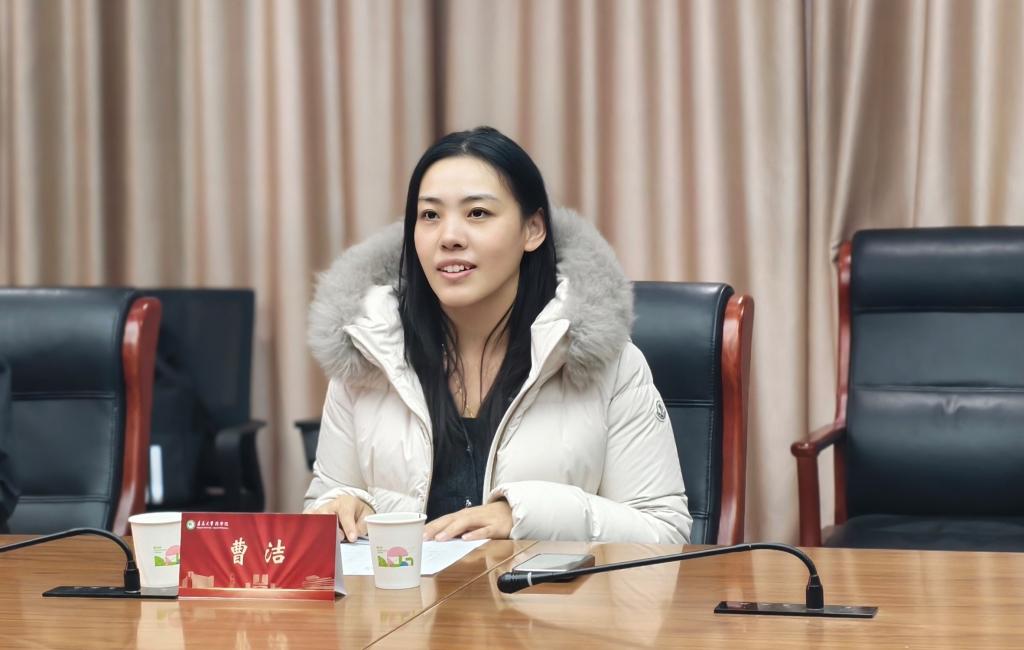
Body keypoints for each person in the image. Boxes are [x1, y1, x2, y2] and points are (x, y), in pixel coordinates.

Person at [304, 126, 691, 544]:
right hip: (403, 590)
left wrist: (525, 515)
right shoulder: (368, 354)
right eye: (430, 215)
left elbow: (665, 533)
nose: (449, 237)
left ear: (533, 229)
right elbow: (325, 508)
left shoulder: (609, 364)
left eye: (477, 213)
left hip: (547, 590)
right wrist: (341, 509)